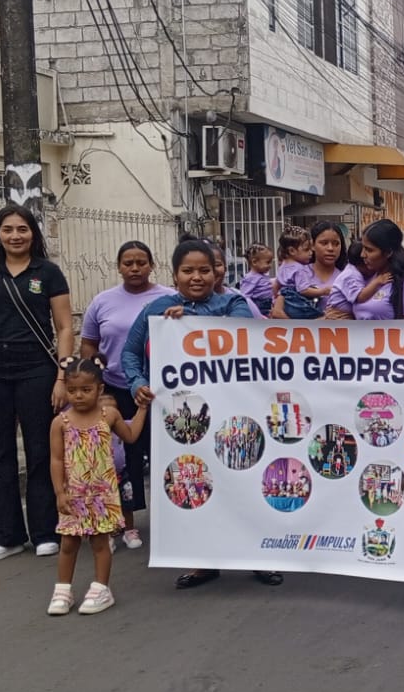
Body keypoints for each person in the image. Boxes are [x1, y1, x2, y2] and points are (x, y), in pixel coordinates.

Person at [122, 238, 276, 592]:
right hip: (183, 420)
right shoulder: (156, 309)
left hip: (234, 413)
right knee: (193, 482)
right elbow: (129, 353)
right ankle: (203, 561)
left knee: (243, 482)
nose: (196, 277)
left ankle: (258, 557)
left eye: (204, 270)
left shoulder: (233, 303)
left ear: (216, 272)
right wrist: (137, 384)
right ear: (174, 274)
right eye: (187, 271)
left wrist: (190, 321)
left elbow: (241, 336)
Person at [0, 207, 75, 562]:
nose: (15, 236)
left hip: (37, 370)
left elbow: (64, 328)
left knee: (41, 450)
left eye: (22, 229)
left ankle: (46, 531)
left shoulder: (48, 273)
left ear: (32, 234)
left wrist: (62, 377)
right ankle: (5, 535)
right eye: (8, 229)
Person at [79, 241, 171, 550]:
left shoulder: (168, 298)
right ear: (118, 266)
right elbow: (89, 344)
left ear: (152, 265)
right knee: (122, 460)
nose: (134, 268)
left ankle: (171, 516)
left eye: (141, 262)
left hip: (160, 390)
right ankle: (126, 522)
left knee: (162, 453)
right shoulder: (102, 301)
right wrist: (93, 380)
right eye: (128, 263)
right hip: (116, 388)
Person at [45, 357, 151, 616]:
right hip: (73, 495)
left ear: (99, 389)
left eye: (86, 389)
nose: (78, 396)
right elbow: (56, 459)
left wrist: (142, 409)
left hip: (102, 495)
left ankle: (101, 588)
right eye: (72, 390)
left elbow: (131, 436)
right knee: (68, 542)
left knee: (100, 542)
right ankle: (63, 589)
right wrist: (59, 492)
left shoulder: (109, 415)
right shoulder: (60, 422)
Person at [326, 219, 404, 319]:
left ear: (388, 252)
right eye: (363, 248)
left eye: (369, 250)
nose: (362, 255)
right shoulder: (368, 277)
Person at [304, 220, 348, 321]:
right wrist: (322, 320)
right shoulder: (298, 274)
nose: (330, 248)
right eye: (324, 243)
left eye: (336, 244)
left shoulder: (347, 278)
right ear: (312, 245)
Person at [240, 243, 276, 315]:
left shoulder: (262, 275)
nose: (270, 265)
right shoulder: (250, 278)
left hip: (268, 303)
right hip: (259, 306)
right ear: (254, 262)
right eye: (268, 262)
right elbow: (245, 295)